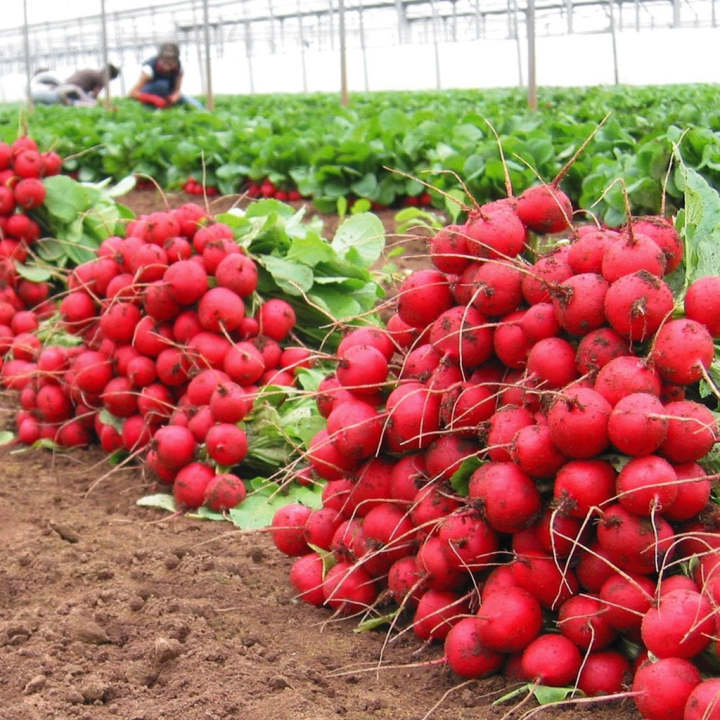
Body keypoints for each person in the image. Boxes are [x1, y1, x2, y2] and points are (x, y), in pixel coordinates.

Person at [129, 42, 203, 109]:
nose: (167, 67)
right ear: (159, 58)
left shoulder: (179, 68)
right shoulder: (149, 69)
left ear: (176, 61)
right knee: (162, 85)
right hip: (149, 97)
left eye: (171, 64)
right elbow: (133, 93)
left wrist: (173, 98)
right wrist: (154, 99)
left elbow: (177, 90)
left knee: (197, 105)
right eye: (164, 63)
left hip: (167, 96)